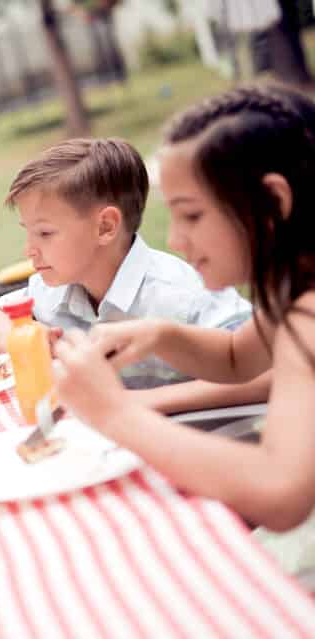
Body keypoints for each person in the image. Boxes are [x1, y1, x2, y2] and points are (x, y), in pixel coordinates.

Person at [52, 84, 315, 532]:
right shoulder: (291, 288)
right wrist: (161, 335)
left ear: (273, 201)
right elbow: (238, 356)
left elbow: (279, 492)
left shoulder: (308, 315)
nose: (174, 240)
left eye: (192, 215)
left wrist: (116, 412)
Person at [0, 137, 269, 413]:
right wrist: (25, 341)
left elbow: (267, 373)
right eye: (28, 232)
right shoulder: (55, 285)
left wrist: (134, 403)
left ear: (105, 227)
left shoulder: (184, 294)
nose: (29, 250)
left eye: (44, 233)